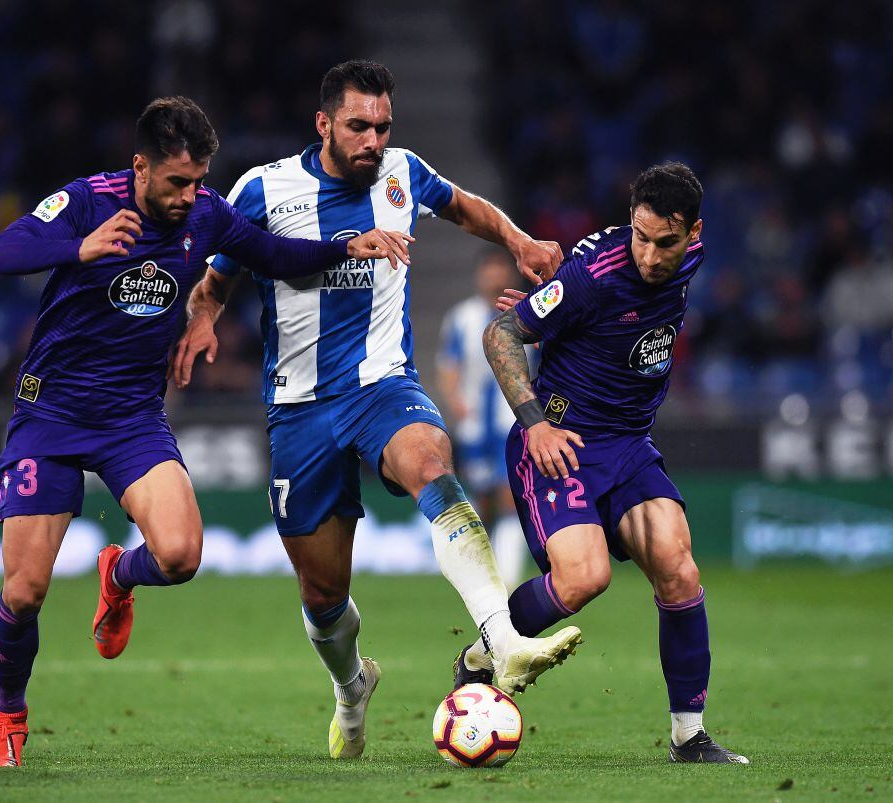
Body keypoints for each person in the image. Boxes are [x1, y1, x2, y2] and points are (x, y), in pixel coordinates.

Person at [0, 95, 411, 768]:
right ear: (140, 166)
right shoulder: (88, 202)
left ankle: (119, 573)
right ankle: (9, 717)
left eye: (199, 180)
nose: (190, 195)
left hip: (131, 418)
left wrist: (342, 246)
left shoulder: (205, 213)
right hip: (51, 414)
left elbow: (268, 252)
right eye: (177, 181)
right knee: (26, 589)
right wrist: (78, 246)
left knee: (180, 554)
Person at [174, 60, 580, 761]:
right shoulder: (265, 188)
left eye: (383, 125)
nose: (373, 139)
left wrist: (517, 240)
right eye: (358, 126)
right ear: (324, 124)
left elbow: (463, 206)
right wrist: (204, 317)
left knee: (430, 457)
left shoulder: (402, 172)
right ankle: (351, 687)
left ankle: (502, 637)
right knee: (324, 592)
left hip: (381, 383)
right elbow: (218, 277)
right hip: (298, 407)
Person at [464, 162, 749, 764]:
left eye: (665, 243)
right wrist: (535, 423)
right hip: (559, 443)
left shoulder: (688, 259)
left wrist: (552, 313)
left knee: (680, 570)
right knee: (584, 578)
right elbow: (499, 335)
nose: (649, 255)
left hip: (627, 444)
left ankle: (688, 736)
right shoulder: (597, 274)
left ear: (693, 234)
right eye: (639, 236)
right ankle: (483, 654)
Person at [437, 251, 531, 590]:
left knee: (510, 496)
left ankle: (506, 579)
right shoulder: (461, 318)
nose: (494, 278)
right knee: (481, 501)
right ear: (480, 276)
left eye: (500, 272)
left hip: (513, 421)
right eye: (489, 272)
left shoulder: (527, 313)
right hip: (476, 425)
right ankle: (480, 576)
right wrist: (456, 403)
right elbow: (449, 366)